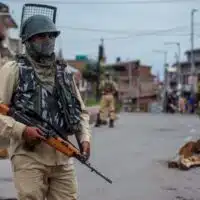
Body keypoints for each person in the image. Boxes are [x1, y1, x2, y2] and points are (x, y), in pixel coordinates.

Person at [0, 14, 91, 200]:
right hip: (29, 156)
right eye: (41, 36)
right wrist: (22, 130)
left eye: (51, 36)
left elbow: (80, 111)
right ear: (27, 40)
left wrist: (84, 139)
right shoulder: (13, 69)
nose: (48, 40)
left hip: (62, 156)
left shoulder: (63, 72)